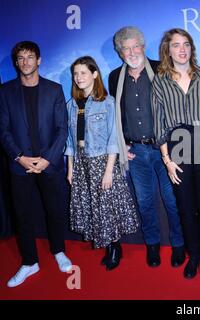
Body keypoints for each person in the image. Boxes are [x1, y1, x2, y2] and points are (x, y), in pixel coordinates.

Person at [109, 26, 185, 269]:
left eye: (135, 46)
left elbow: (176, 110)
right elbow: (115, 117)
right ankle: (152, 244)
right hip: (136, 153)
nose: (131, 52)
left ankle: (178, 244)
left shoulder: (163, 70)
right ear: (120, 53)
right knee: (144, 203)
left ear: (143, 47)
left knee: (172, 201)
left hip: (166, 151)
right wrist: (122, 146)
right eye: (125, 48)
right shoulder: (114, 78)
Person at [0, 41, 72, 287]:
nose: (25, 62)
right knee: (23, 215)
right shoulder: (5, 91)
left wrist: (47, 159)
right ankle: (30, 262)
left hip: (48, 164)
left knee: (55, 210)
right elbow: (3, 130)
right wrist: (19, 157)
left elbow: (62, 129)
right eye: (20, 58)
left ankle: (59, 250)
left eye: (30, 57)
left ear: (39, 60)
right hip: (19, 165)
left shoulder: (54, 90)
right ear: (16, 62)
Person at [152, 28, 200, 279]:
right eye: (176, 45)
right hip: (176, 146)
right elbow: (159, 122)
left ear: (192, 48)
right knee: (185, 206)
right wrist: (167, 160)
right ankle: (193, 255)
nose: (182, 49)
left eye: (186, 44)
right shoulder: (160, 80)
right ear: (167, 50)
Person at [65, 56, 139, 270]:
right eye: (75, 74)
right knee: (91, 206)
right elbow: (69, 141)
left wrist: (108, 171)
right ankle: (103, 240)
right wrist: (70, 168)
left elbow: (114, 139)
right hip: (81, 162)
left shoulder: (107, 103)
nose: (79, 78)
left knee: (107, 207)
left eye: (83, 73)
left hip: (102, 162)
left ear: (94, 74)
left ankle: (114, 247)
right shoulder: (71, 105)